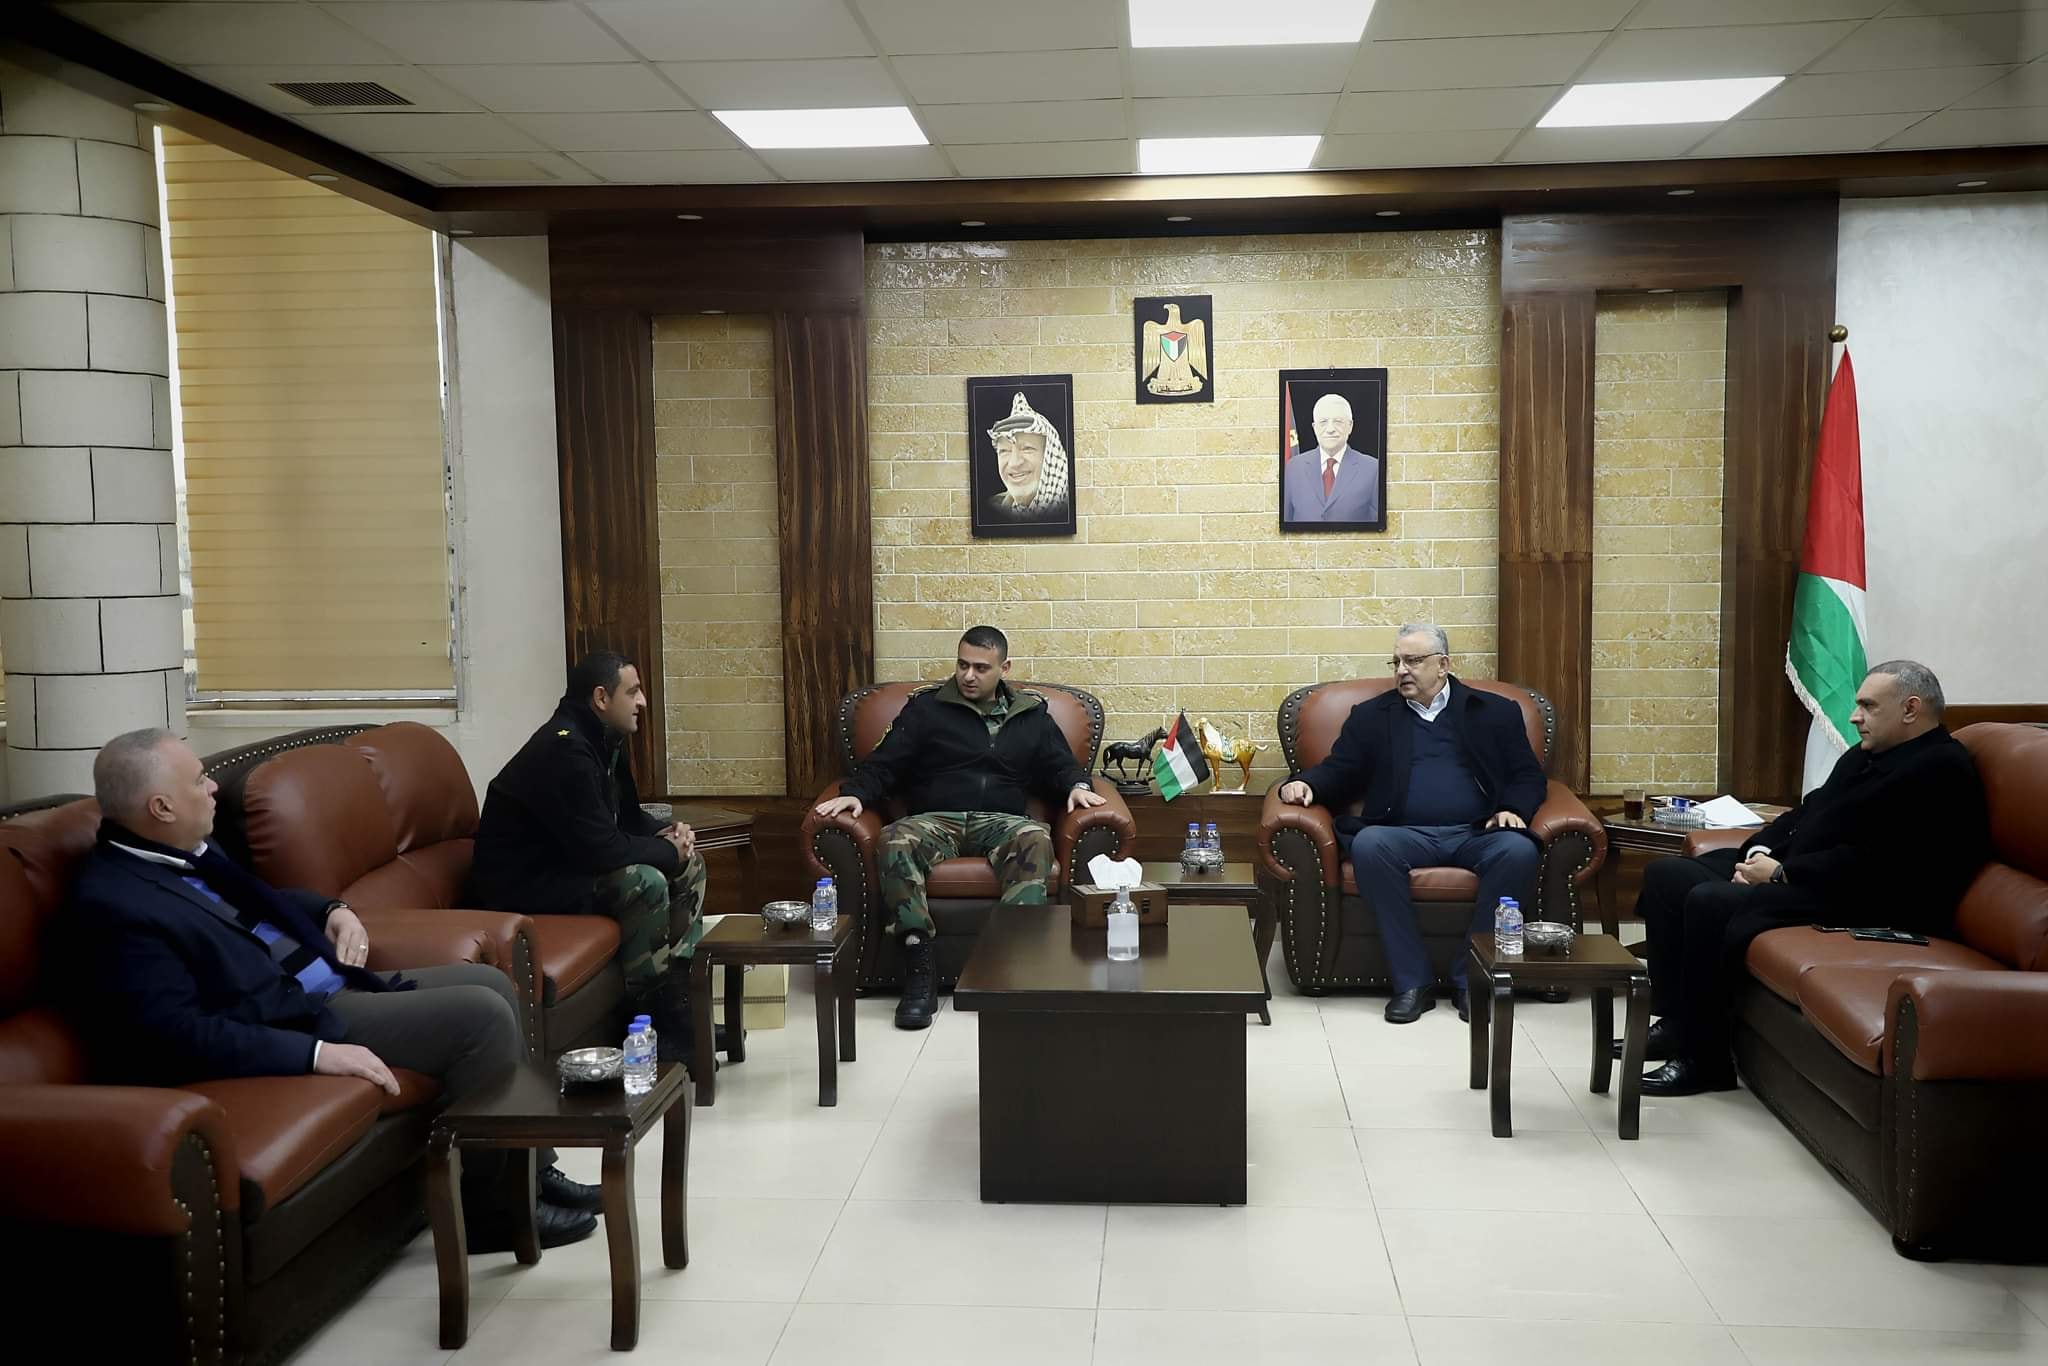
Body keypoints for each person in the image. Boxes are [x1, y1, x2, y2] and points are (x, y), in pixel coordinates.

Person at [65, 729, 600, 1249]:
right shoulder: (117, 904)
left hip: (327, 984)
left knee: (491, 981)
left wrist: (333, 910)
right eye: (199, 780)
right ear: (161, 807)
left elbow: (259, 903)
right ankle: (493, 1213)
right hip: (297, 1017)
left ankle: (530, 1169)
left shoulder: (185, 851)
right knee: (480, 1014)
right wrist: (315, 1053)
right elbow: (173, 1035)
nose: (212, 788)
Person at [1629, 660, 1988, 1097]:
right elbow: (1808, 811)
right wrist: (1760, 852)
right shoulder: (1866, 754)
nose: (1854, 717)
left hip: (1869, 899)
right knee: (1667, 876)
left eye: (1868, 706)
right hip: (1810, 874)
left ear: (1911, 709)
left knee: (1710, 901)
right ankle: (1676, 1022)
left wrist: (1782, 874)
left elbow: (1882, 864)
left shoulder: (1941, 769)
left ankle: (1704, 1061)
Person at [812, 625, 1107, 1029]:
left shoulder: (1030, 715)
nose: (968, 675)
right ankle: (919, 966)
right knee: (895, 839)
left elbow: (1060, 764)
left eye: (981, 668)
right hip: (936, 819)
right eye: (963, 664)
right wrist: (858, 794)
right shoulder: (927, 709)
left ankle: (1013, 969)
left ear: (1004, 668)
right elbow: (886, 763)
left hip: (1002, 821)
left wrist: (1077, 786)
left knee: (1035, 839)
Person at [1276, 624, 1543, 1023]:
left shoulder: (1494, 712)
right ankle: (1412, 983)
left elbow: (1527, 775)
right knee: (1369, 844)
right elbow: (1341, 770)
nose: (1402, 670)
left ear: (1443, 665)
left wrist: (1512, 808)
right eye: (1397, 662)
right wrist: (1305, 784)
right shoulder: (1372, 716)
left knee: (1518, 849)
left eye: (1413, 661)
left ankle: (1472, 979)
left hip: (1477, 832)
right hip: (1403, 833)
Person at [469, 650, 720, 1064]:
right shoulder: (565, 750)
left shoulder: (603, 740)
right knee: (644, 881)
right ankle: (648, 1020)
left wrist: (670, 835)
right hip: (525, 886)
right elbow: (602, 849)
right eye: (633, 692)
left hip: (568, 866)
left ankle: (679, 1006)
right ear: (601, 697)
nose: (642, 702)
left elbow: (628, 819)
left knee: (690, 864)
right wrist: (664, 852)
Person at [1282, 392, 1380, 524]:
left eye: (1338, 421)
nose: (1330, 429)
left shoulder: (1373, 469)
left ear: (1350, 426)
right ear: (1314, 428)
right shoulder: (1293, 468)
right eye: (1323, 422)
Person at [982, 392, 1071, 524]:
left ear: (1050, 456)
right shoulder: (992, 508)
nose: (1014, 463)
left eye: (1027, 448)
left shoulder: (1071, 506)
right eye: (1004, 451)